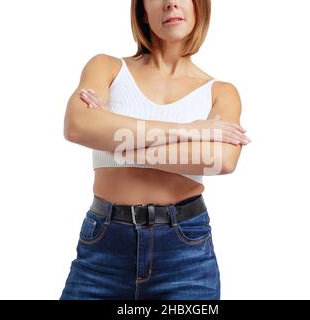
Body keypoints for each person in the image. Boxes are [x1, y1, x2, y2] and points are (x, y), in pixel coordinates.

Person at [60, 0, 251, 300]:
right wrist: (190, 131)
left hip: (185, 252)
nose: (171, 2)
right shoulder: (107, 67)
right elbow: (77, 126)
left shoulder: (221, 92)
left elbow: (220, 160)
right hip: (104, 246)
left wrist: (117, 143)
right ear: (142, 10)